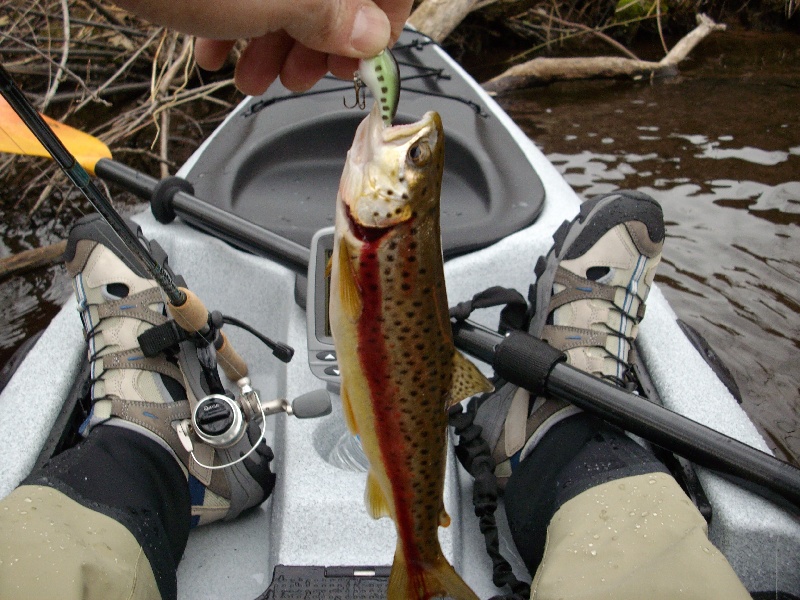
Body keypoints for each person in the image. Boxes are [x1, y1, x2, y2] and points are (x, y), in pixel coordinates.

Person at [0, 2, 752, 599]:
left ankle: (141, 455)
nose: (413, 141)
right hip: (399, 364)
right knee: (646, 543)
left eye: (416, 158)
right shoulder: (375, 229)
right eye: (421, 157)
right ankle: (564, 444)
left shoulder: (371, 231)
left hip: (399, 383)